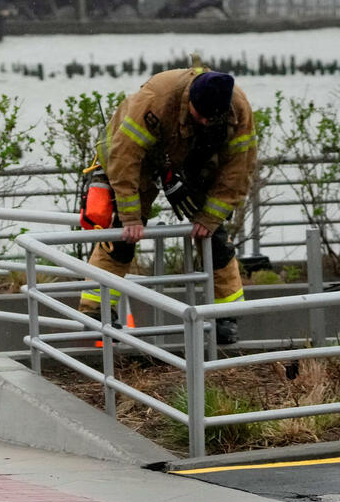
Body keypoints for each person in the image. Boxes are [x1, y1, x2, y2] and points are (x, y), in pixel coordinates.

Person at [78, 57, 257, 344]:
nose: (206, 121)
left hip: (194, 158)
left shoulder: (238, 111)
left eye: (212, 118)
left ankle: (226, 316)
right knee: (121, 237)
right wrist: (131, 216)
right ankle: (95, 311)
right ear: (190, 101)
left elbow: (239, 169)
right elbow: (125, 158)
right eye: (200, 116)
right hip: (141, 159)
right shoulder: (156, 99)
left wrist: (210, 217)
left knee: (216, 240)